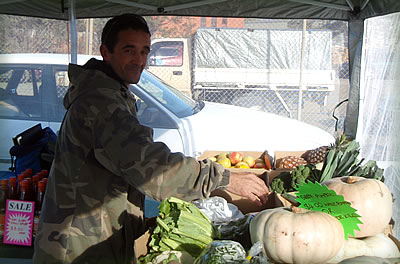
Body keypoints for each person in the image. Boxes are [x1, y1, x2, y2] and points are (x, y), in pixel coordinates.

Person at [33, 14, 270, 264]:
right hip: (77, 248)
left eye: (144, 51)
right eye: (129, 50)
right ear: (106, 51)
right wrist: (223, 178)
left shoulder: (113, 93)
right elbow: (151, 167)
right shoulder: (101, 103)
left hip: (95, 236)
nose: (139, 60)